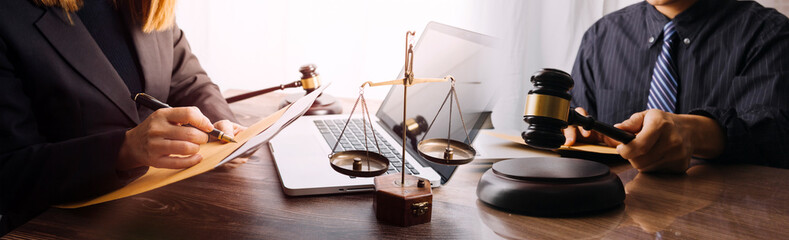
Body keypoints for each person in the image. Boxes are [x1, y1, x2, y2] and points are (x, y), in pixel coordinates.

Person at [0, 0, 246, 234]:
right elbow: (10, 171)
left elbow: (189, 82)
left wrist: (219, 123)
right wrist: (124, 150)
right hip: (60, 225)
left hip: (161, 209)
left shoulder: (149, 4)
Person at [563, 0, 789, 172]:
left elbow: (777, 135)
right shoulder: (600, 36)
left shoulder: (767, 32)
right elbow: (577, 120)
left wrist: (695, 134)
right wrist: (574, 130)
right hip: (618, 217)